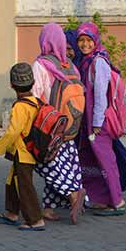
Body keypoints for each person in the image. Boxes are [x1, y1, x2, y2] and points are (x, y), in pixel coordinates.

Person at [31, 22, 86, 224]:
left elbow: (35, 95)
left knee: (45, 163)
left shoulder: (42, 64)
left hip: (50, 124)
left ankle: (73, 194)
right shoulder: (70, 66)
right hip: (69, 126)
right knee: (62, 162)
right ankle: (48, 208)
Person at [0, 63, 46, 231]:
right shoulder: (36, 102)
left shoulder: (20, 106)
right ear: (33, 83)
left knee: (24, 186)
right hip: (31, 149)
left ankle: (35, 220)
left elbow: (13, 132)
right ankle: (11, 213)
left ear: (12, 85)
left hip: (23, 152)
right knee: (12, 180)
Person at [75, 22, 126, 216]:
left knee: (106, 162)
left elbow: (100, 95)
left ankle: (117, 201)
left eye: (89, 40)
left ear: (95, 40)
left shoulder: (98, 62)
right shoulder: (86, 61)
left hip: (99, 123)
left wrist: (96, 123)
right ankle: (101, 199)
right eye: (81, 40)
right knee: (92, 162)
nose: (85, 44)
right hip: (90, 122)